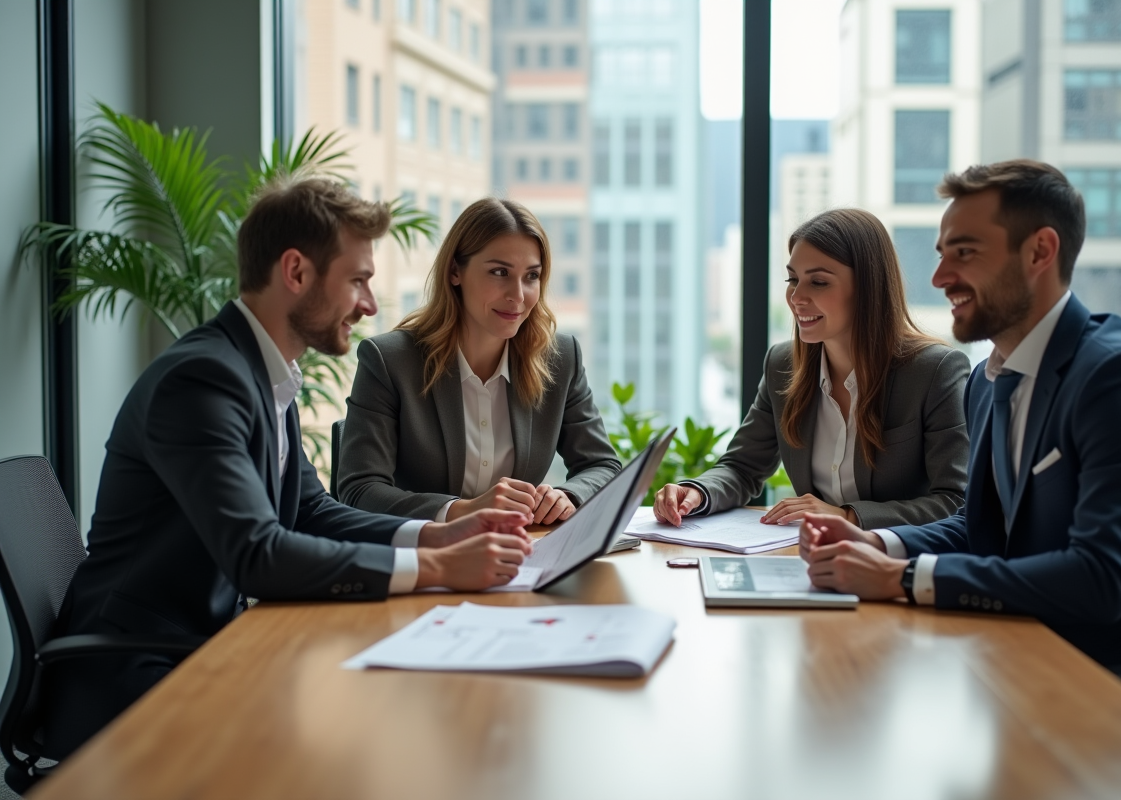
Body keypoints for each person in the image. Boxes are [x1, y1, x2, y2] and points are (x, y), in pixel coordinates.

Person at [43, 177, 533, 759]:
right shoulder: (201, 382)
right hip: (137, 673)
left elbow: (309, 510)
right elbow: (257, 553)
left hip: (205, 644)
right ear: (296, 272)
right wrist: (436, 566)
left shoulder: (263, 374)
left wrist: (438, 531)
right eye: (357, 281)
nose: (371, 305)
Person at [800, 160, 1121, 672]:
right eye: (942, 254)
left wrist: (901, 578)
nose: (940, 277)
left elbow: (1102, 578)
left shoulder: (1120, 376)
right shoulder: (987, 382)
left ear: (1040, 251)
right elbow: (980, 526)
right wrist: (878, 542)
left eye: (964, 253)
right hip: (1019, 656)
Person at [654, 208, 970, 531]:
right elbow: (742, 467)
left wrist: (847, 516)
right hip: (811, 559)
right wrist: (697, 492)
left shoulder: (934, 372)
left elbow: (956, 501)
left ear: (868, 288)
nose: (796, 297)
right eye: (793, 279)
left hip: (897, 566)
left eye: (818, 282)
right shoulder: (782, 365)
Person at [337, 197, 621, 525]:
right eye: (499, 272)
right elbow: (359, 490)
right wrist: (462, 511)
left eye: (531, 276)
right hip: (426, 560)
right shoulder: (390, 362)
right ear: (455, 271)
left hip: (522, 555)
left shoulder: (560, 358)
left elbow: (603, 466)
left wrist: (569, 496)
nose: (518, 294)